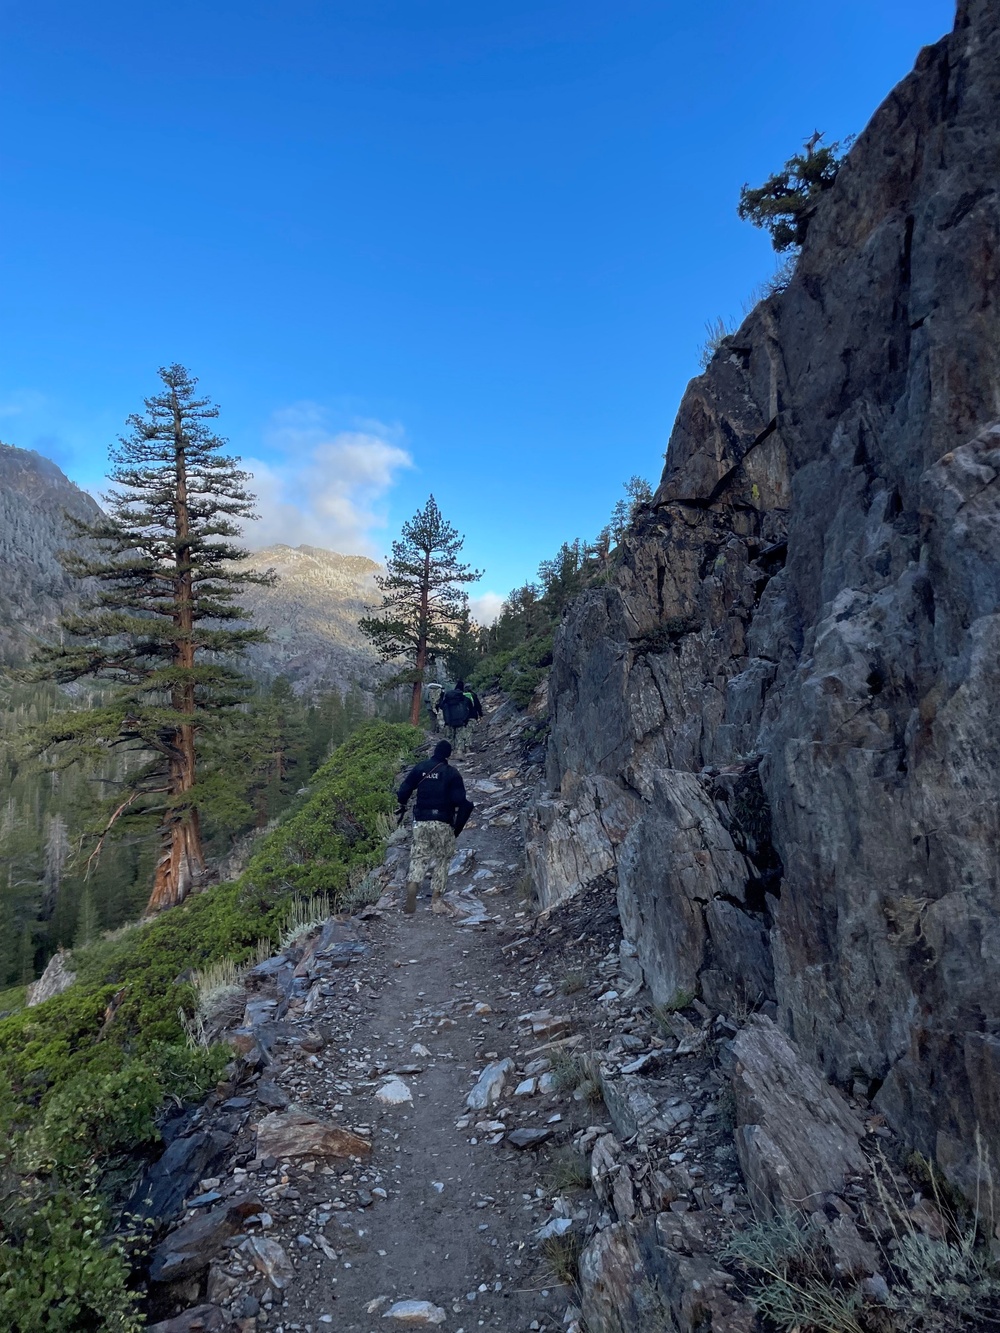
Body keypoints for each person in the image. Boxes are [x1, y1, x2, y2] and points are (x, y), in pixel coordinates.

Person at [396, 739, 473, 915]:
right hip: (442, 822)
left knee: (418, 857)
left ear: (434, 752)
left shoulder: (420, 768)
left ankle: (413, 888)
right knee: (442, 859)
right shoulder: (451, 773)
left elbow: (404, 790)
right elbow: (459, 801)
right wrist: (457, 826)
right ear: (448, 754)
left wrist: (402, 803)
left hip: (421, 820)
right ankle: (436, 898)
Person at [439, 679, 478, 754]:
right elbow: (470, 709)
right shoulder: (465, 698)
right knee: (459, 736)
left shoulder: (448, 699)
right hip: (461, 720)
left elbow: (441, 706)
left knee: (451, 737)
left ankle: (451, 752)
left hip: (449, 721)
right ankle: (459, 752)